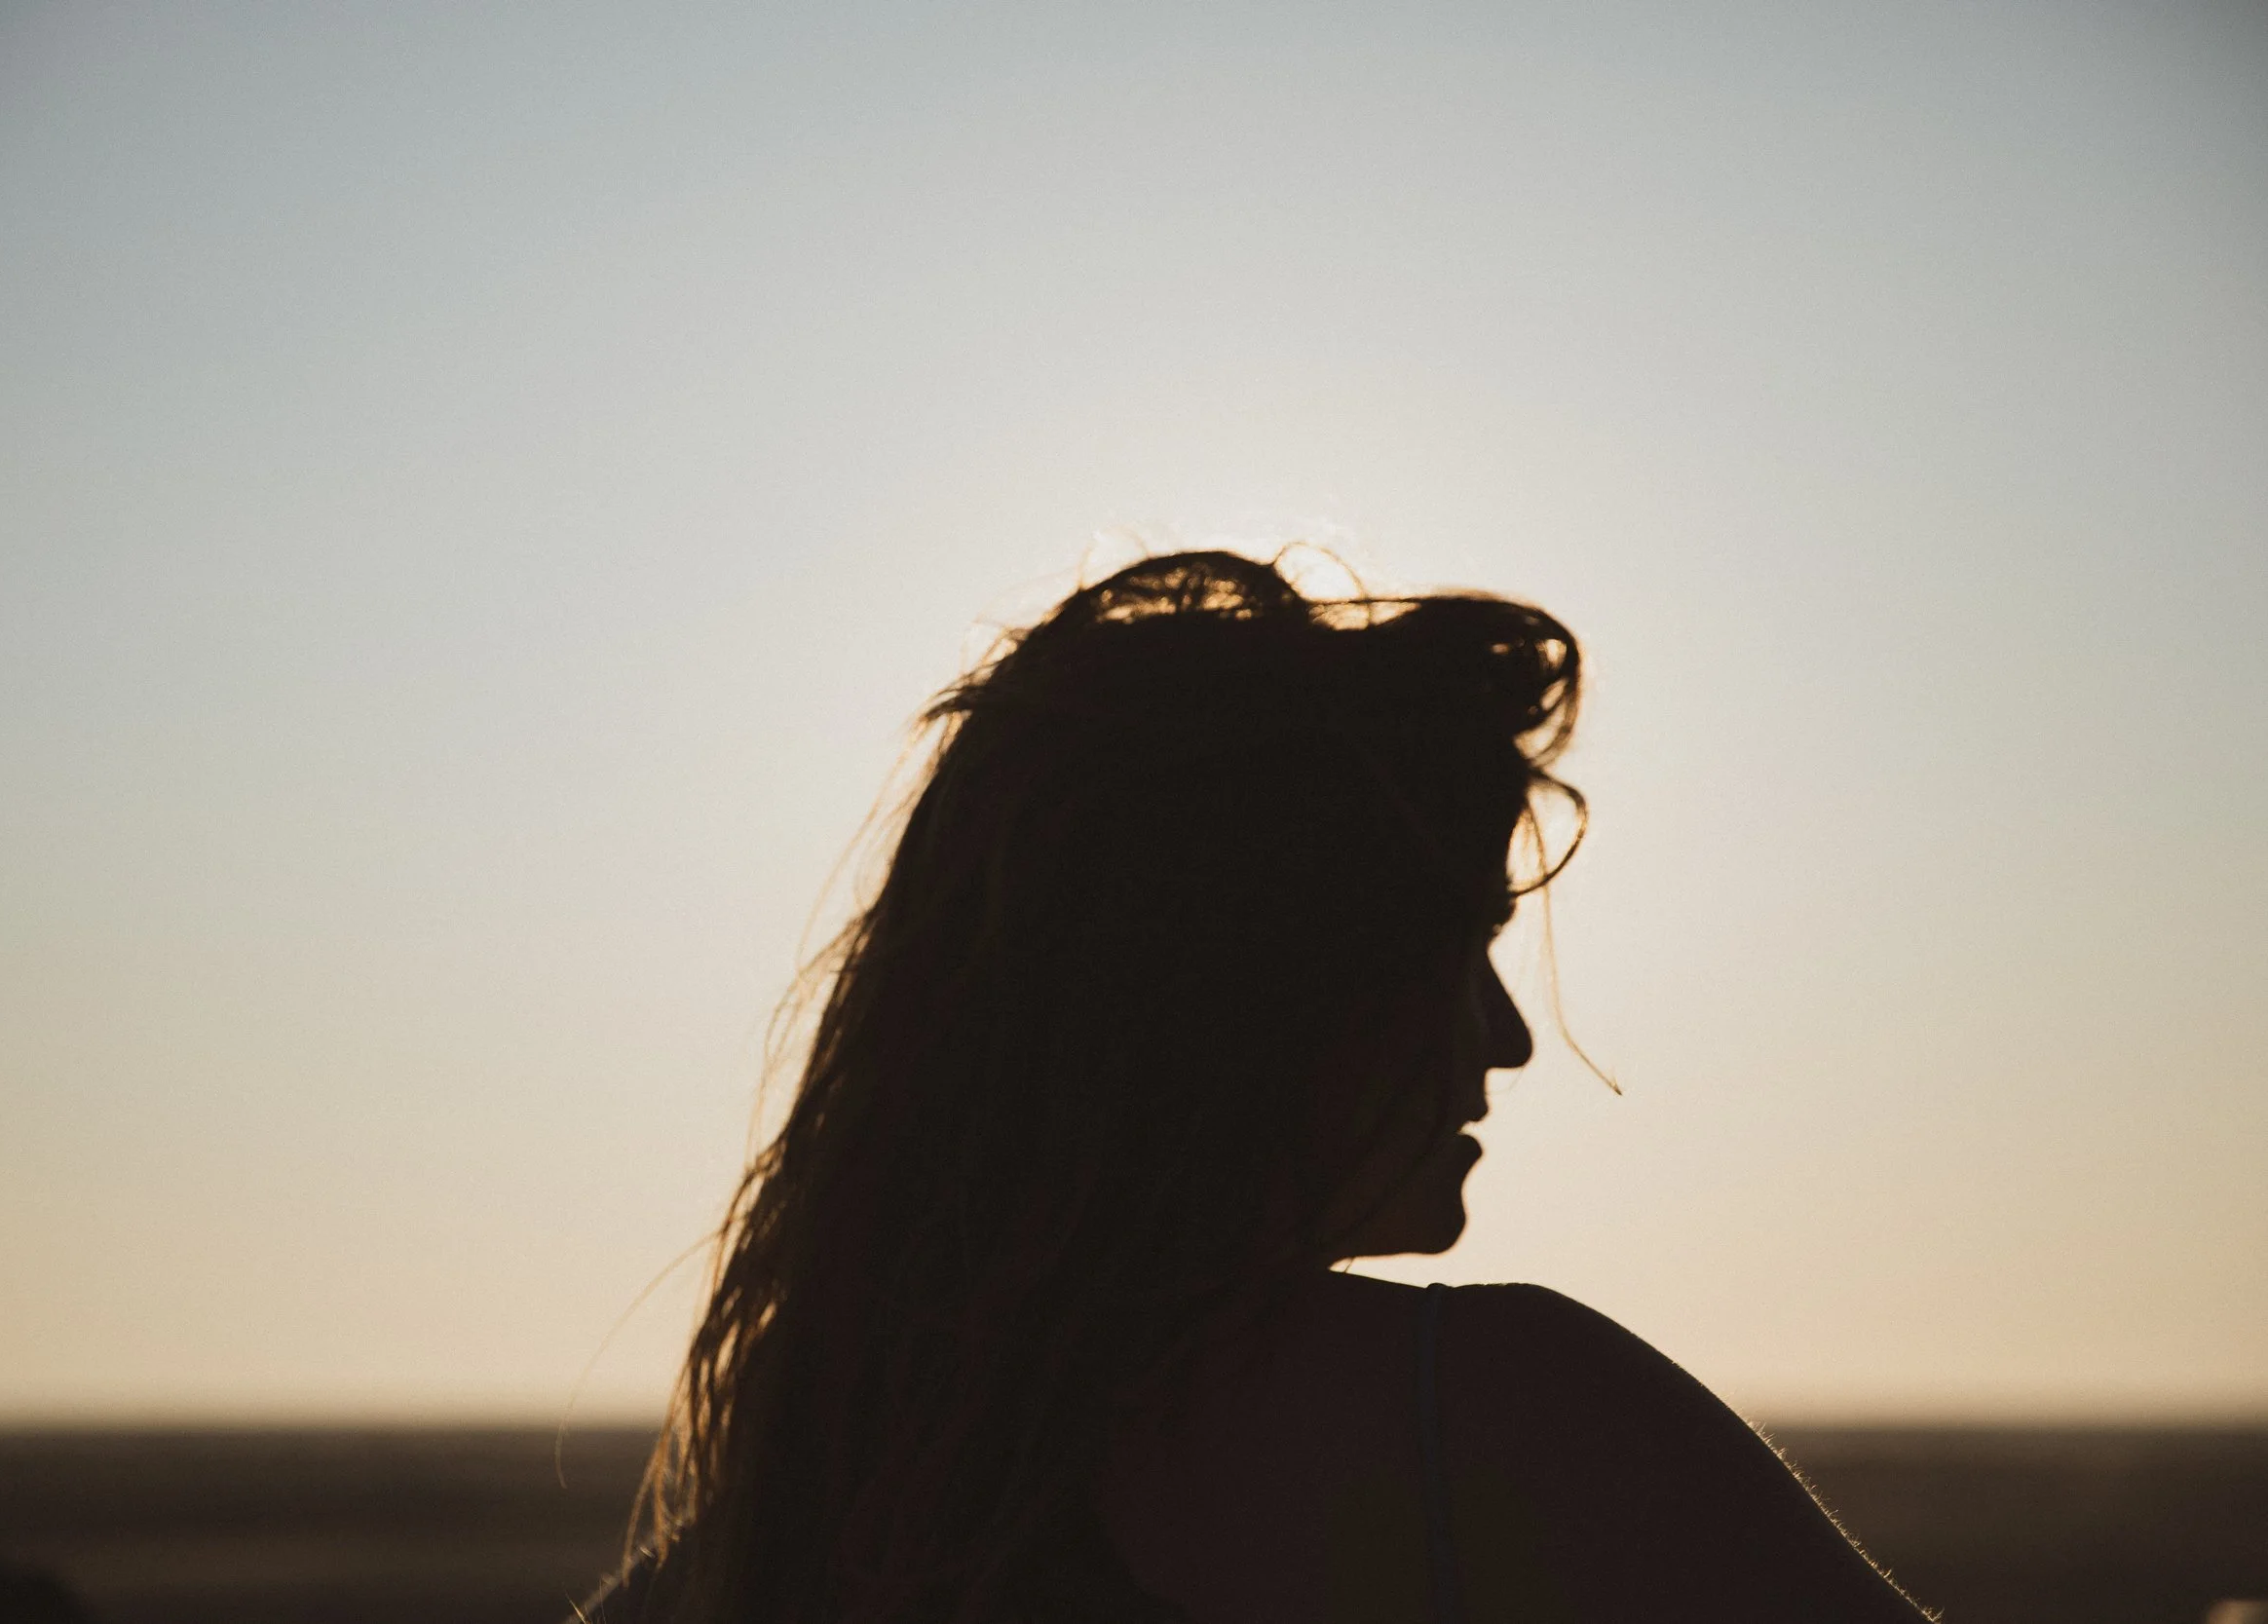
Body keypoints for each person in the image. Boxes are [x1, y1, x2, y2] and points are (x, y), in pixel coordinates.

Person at [579, 550, 1928, 1624]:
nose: (1507, 1039)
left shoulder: (780, 1540)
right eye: (1450, 959)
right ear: (1256, 995)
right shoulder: (1515, 1425)